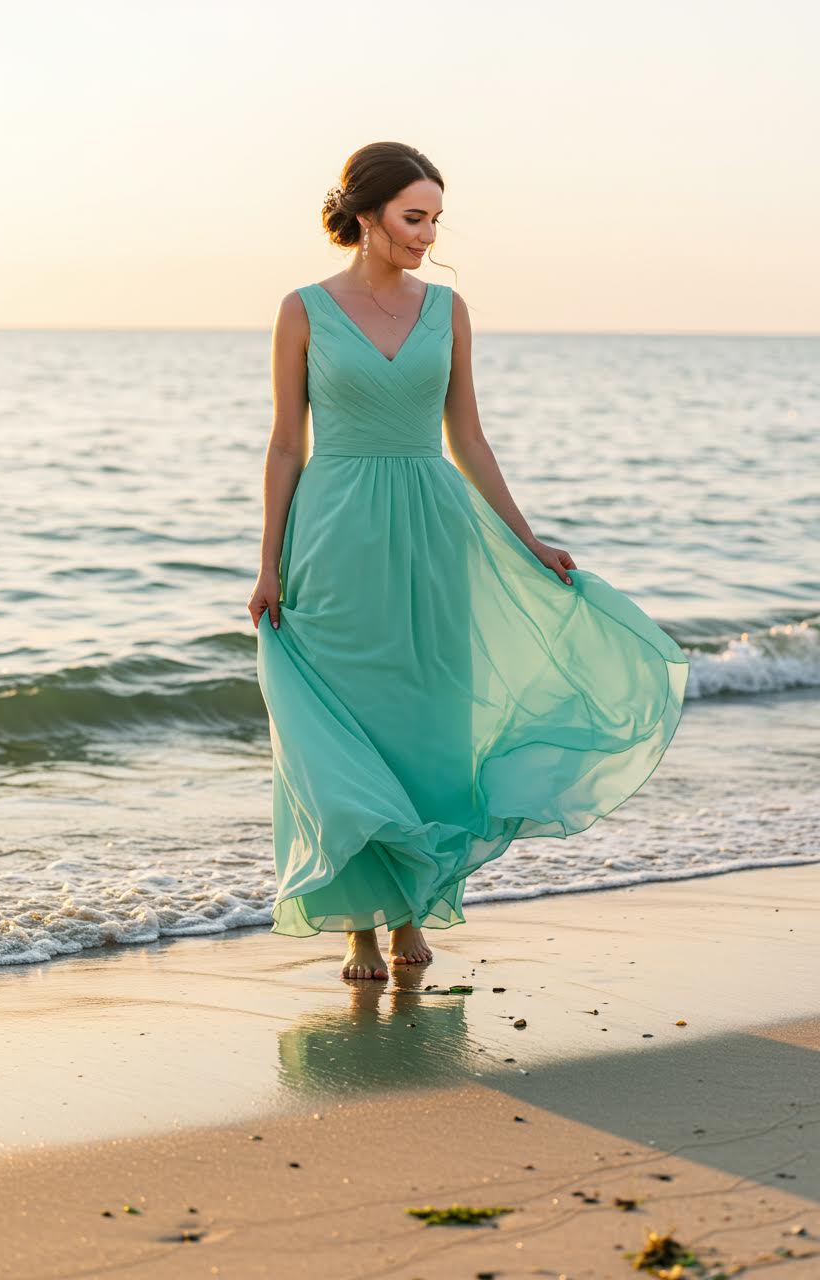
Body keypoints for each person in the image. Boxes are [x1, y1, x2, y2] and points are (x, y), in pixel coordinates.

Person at [249, 141, 689, 983]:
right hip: (334, 532)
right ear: (366, 215)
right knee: (348, 720)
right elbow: (282, 445)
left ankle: (414, 903)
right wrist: (268, 563)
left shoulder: (447, 307)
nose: (427, 235)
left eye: (436, 219)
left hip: (433, 525)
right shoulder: (302, 308)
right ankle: (359, 926)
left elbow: (468, 436)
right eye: (414, 217)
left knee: (429, 713)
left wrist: (526, 538)